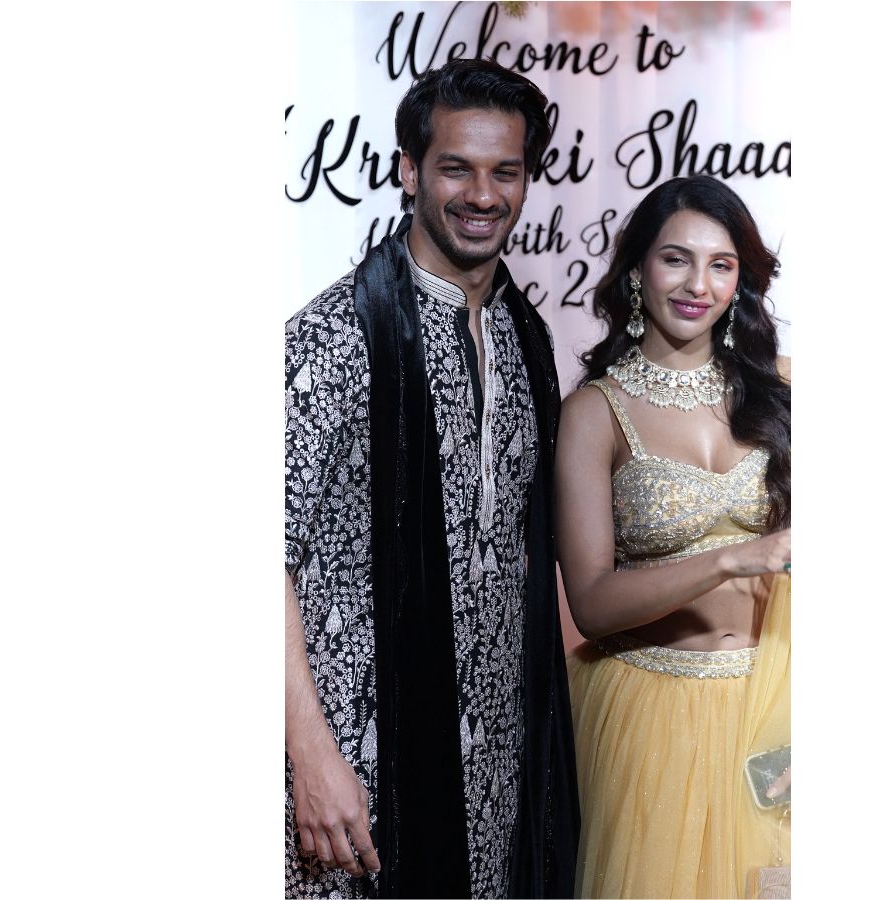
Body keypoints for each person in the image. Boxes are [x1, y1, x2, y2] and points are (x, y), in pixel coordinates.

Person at [285, 59, 578, 899]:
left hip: (490, 779)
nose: (482, 195)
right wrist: (310, 757)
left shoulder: (526, 339)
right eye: (456, 168)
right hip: (354, 772)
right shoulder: (335, 336)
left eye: (505, 172)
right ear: (410, 171)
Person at [555, 175, 791, 898]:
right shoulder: (595, 412)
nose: (698, 285)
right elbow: (592, 603)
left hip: (773, 704)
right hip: (653, 713)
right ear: (637, 271)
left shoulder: (782, 392)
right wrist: (732, 558)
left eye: (721, 265)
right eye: (676, 259)